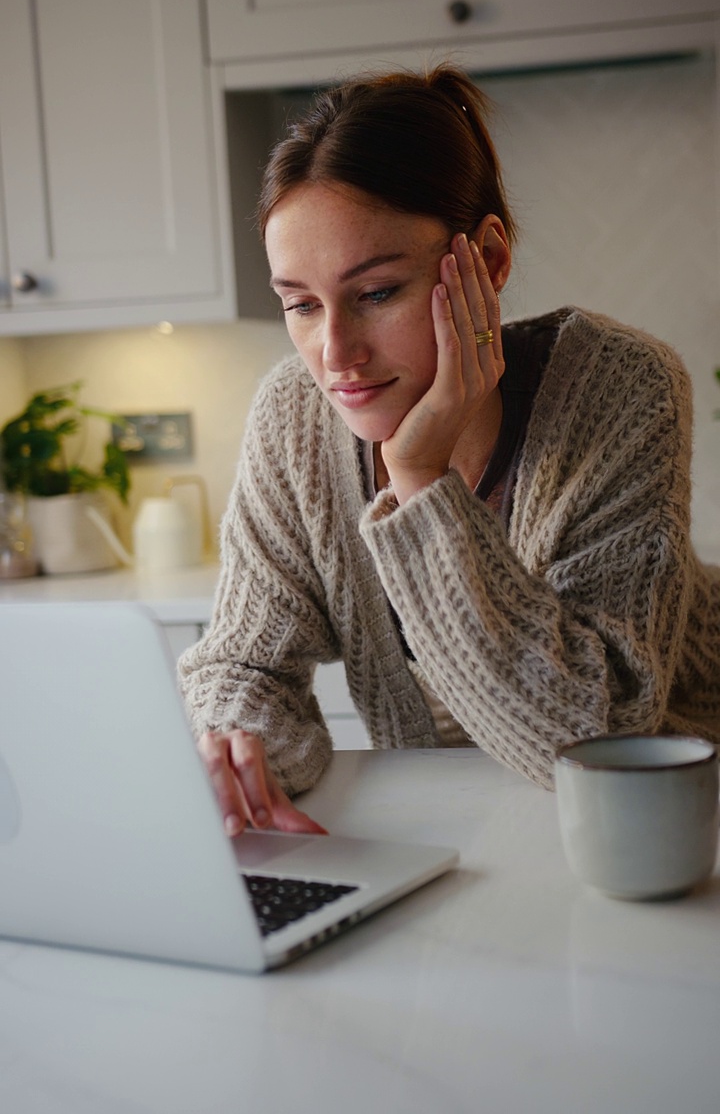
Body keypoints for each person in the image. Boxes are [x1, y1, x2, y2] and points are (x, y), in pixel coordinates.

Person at [178, 63, 720, 838]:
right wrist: (241, 751)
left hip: (660, 832)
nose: (335, 354)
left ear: (489, 261)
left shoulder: (621, 389)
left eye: (376, 293)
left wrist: (421, 479)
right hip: (456, 831)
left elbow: (598, 739)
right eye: (299, 304)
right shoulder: (294, 419)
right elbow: (244, 664)